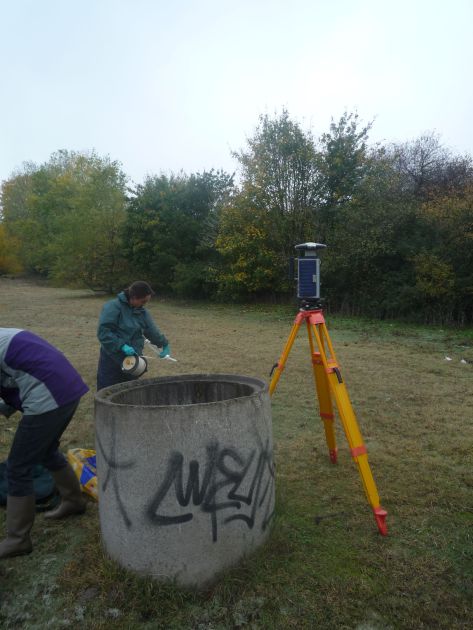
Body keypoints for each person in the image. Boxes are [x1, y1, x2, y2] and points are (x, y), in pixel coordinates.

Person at [0, 328, 89, 560]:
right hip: (69, 387)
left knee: (18, 467)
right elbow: (11, 378)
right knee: (47, 451)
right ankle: (73, 500)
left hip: (49, 396)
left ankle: (18, 539)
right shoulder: (4, 335)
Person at [96, 280, 170, 390]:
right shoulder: (113, 307)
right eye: (143, 301)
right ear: (134, 297)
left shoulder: (142, 312)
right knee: (108, 390)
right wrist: (121, 345)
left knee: (130, 391)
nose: (144, 304)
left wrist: (164, 344)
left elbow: (152, 330)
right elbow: (104, 332)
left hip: (133, 359)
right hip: (112, 358)